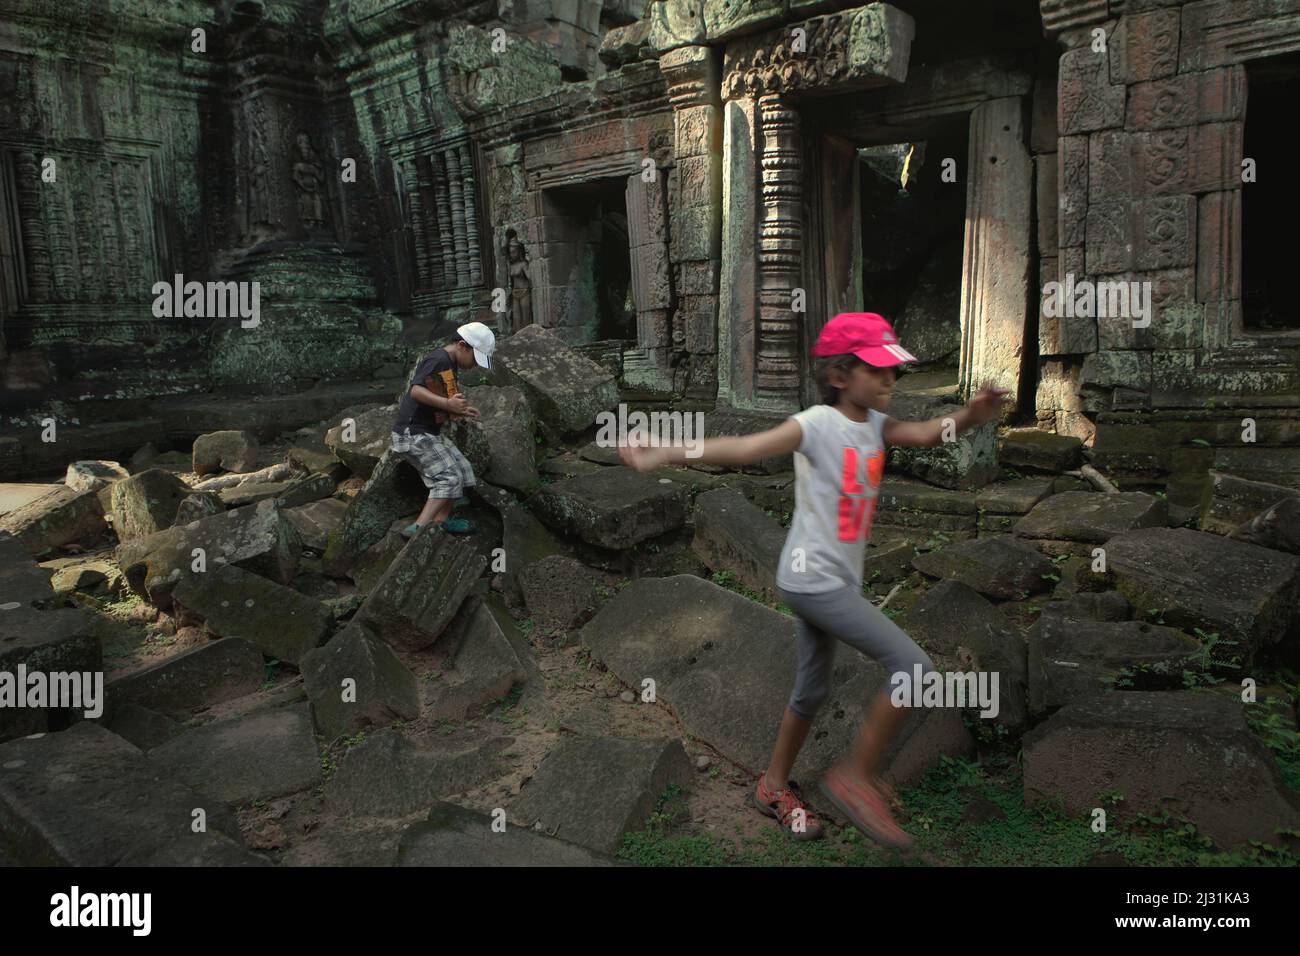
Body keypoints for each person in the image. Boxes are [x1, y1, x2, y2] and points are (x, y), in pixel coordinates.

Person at [619, 312, 1009, 848]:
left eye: (894, 372)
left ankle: (772, 786)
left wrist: (971, 415)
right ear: (840, 375)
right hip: (812, 581)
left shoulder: (876, 426)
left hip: (832, 585)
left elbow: (924, 434)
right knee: (915, 669)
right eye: (877, 370)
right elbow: (748, 448)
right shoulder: (816, 425)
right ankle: (854, 778)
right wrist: (664, 448)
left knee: (812, 690)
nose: (890, 381)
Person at [390, 321, 496, 538]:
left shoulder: (449, 364)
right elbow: (416, 392)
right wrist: (448, 405)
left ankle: (442, 520)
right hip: (413, 433)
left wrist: (460, 410)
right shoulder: (438, 359)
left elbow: (439, 397)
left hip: (430, 432)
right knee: (448, 477)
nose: (474, 366)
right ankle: (418, 527)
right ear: (462, 345)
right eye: (475, 359)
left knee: (463, 471)